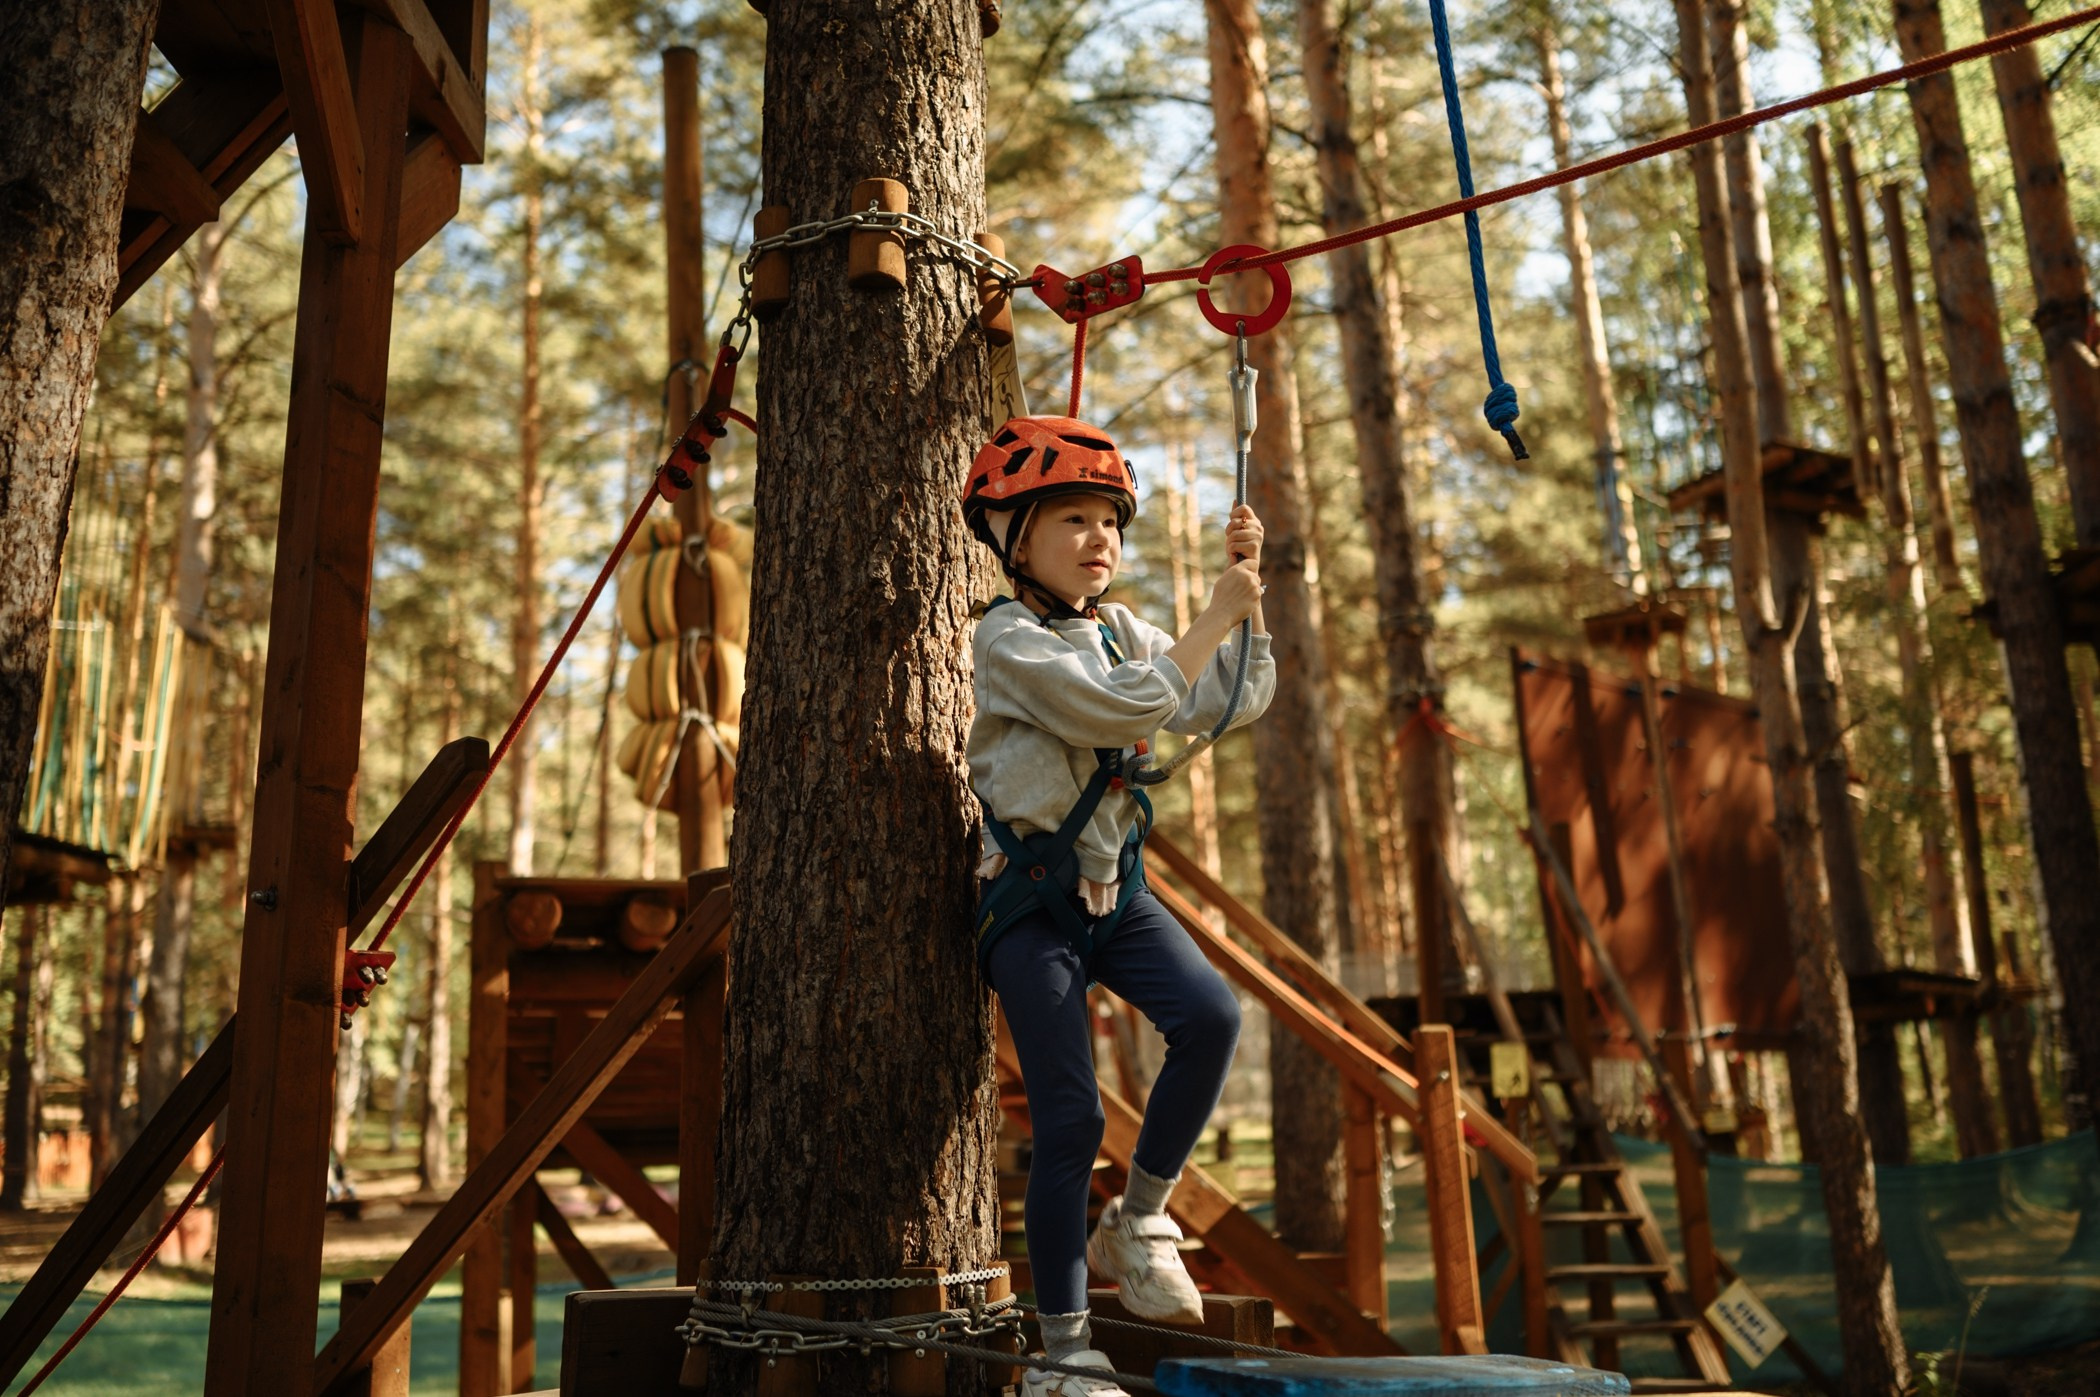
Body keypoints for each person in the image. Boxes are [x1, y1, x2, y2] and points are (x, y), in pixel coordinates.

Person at [962, 415, 1275, 1397]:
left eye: (1109, 520)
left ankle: (1138, 1217)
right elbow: (1119, 707)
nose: (1100, 537)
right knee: (1070, 1115)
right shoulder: (1007, 639)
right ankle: (1062, 1348)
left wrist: (1247, 601)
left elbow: (1227, 699)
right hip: (1031, 904)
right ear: (1016, 538)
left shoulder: (1119, 630)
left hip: (1116, 890)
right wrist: (1214, 615)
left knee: (1211, 1016)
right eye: (1072, 518)